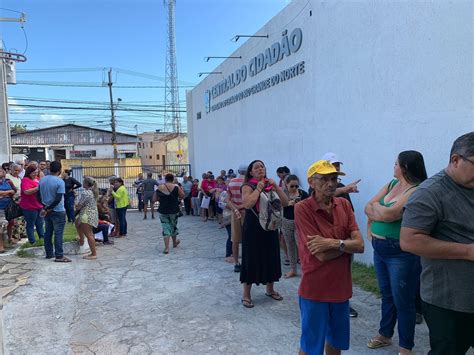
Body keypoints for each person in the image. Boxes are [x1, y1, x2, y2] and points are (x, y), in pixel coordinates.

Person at [400, 132, 474, 355]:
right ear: (455, 160)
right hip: (448, 302)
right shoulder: (429, 193)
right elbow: (409, 240)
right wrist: (468, 251)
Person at [295, 160, 364, 355]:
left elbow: (360, 245)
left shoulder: (343, 204)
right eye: (324, 179)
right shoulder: (303, 208)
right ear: (311, 182)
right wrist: (346, 245)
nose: (331, 183)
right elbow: (321, 255)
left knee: (336, 342)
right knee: (310, 346)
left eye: (334, 178)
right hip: (315, 289)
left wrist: (334, 243)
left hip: (341, 289)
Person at [365, 151, 427, 354]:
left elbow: (391, 214)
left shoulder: (416, 190)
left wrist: (378, 211)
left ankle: (405, 347)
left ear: (405, 167)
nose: (393, 166)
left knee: (403, 299)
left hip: (400, 253)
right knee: (387, 294)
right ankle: (385, 334)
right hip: (380, 249)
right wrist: (378, 212)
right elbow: (367, 206)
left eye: (396, 164)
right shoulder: (391, 185)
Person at [240, 160, 288, 308]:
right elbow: (247, 204)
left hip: (270, 226)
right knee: (251, 258)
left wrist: (277, 188)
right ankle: (246, 294)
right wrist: (258, 188)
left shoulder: (271, 184)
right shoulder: (248, 186)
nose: (260, 169)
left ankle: (270, 289)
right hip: (253, 228)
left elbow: (285, 203)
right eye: (256, 167)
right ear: (251, 172)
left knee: (271, 256)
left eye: (262, 166)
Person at [321, 152, 362, 318]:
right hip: (328, 237)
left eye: (338, 165)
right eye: (332, 165)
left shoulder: (342, 187)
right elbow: (325, 195)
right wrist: (345, 189)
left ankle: (343, 303)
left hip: (344, 237)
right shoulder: (319, 186)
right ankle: (327, 302)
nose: (336, 168)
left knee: (344, 271)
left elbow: (348, 209)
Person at [39, 161, 71, 262]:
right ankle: (59, 256)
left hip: (46, 209)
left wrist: (45, 208)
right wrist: (50, 208)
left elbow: (38, 196)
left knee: (48, 232)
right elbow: (58, 198)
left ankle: (49, 253)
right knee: (58, 234)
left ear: (49, 169)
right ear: (60, 170)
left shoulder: (42, 180)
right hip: (58, 210)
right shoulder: (59, 181)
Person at [281, 174, 308, 278]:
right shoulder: (283, 194)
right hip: (286, 221)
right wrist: (288, 204)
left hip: (299, 222)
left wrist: (301, 204)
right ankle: (293, 269)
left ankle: (306, 269)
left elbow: (310, 206)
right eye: (291, 186)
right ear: (286, 185)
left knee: (301, 246)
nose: (294, 188)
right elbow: (276, 205)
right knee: (290, 246)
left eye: (296, 186)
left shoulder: (303, 194)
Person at [225, 164, 247, 272]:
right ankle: (248, 261)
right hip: (248, 213)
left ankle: (236, 263)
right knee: (248, 238)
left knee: (235, 239)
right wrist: (241, 206)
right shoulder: (249, 183)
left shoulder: (232, 182)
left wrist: (235, 208)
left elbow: (227, 199)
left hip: (235, 213)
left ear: (238, 171)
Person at [156, 173, 185, 254]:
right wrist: (177, 200)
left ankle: (166, 248)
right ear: (172, 179)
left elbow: (154, 199)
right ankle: (174, 242)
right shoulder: (176, 187)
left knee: (166, 227)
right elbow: (183, 195)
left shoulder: (160, 187)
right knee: (173, 225)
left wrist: (161, 200)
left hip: (163, 210)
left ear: (165, 179)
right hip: (174, 210)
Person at [74, 177, 99, 260]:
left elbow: (79, 206)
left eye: (84, 182)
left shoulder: (86, 193)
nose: (83, 183)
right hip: (92, 214)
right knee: (77, 222)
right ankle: (81, 239)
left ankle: (93, 254)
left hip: (86, 214)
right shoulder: (93, 192)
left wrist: (75, 201)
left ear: (87, 183)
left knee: (89, 235)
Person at [20, 165, 45, 244]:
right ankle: (32, 240)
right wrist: (38, 188)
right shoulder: (25, 180)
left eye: (36, 173)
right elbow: (26, 191)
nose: (35, 174)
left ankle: (42, 238)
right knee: (31, 224)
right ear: (29, 172)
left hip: (38, 205)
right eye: (33, 173)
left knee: (40, 223)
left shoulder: (37, 179)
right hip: (29, 206)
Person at [6, 163, 24, 244]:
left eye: (18, 170)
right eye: (15, 170)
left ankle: (18, 235)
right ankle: (12, 237)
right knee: (12, 220)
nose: (17, 172)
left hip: (20, 200)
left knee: (19, 219)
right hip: (12, 200)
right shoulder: (7, 177)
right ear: (11, 170)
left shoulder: (19, 177)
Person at [0, 167, 16, 252]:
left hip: (9, 206)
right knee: (1, 226)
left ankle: (9, 239)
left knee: (11, 223)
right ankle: (1, 245)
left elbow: (14, 190)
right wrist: (7, 192)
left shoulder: (7, 181)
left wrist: (5, 194)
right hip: (0, 207)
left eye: (1, 170)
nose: (1, 172)